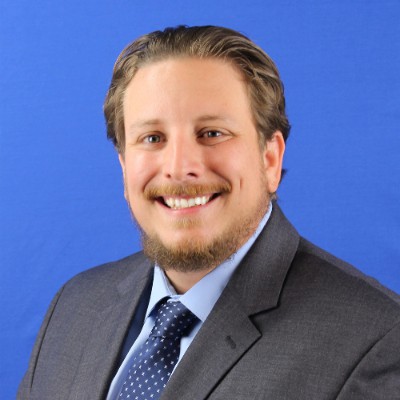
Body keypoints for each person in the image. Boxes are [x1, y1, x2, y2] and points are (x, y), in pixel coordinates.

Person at [18, 25, 400, 400]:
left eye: (212, 133)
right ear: (124, 165)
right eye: (152, 138)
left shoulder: (376, 341)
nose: (179, 167)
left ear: (269, 159)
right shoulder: (74, 307)